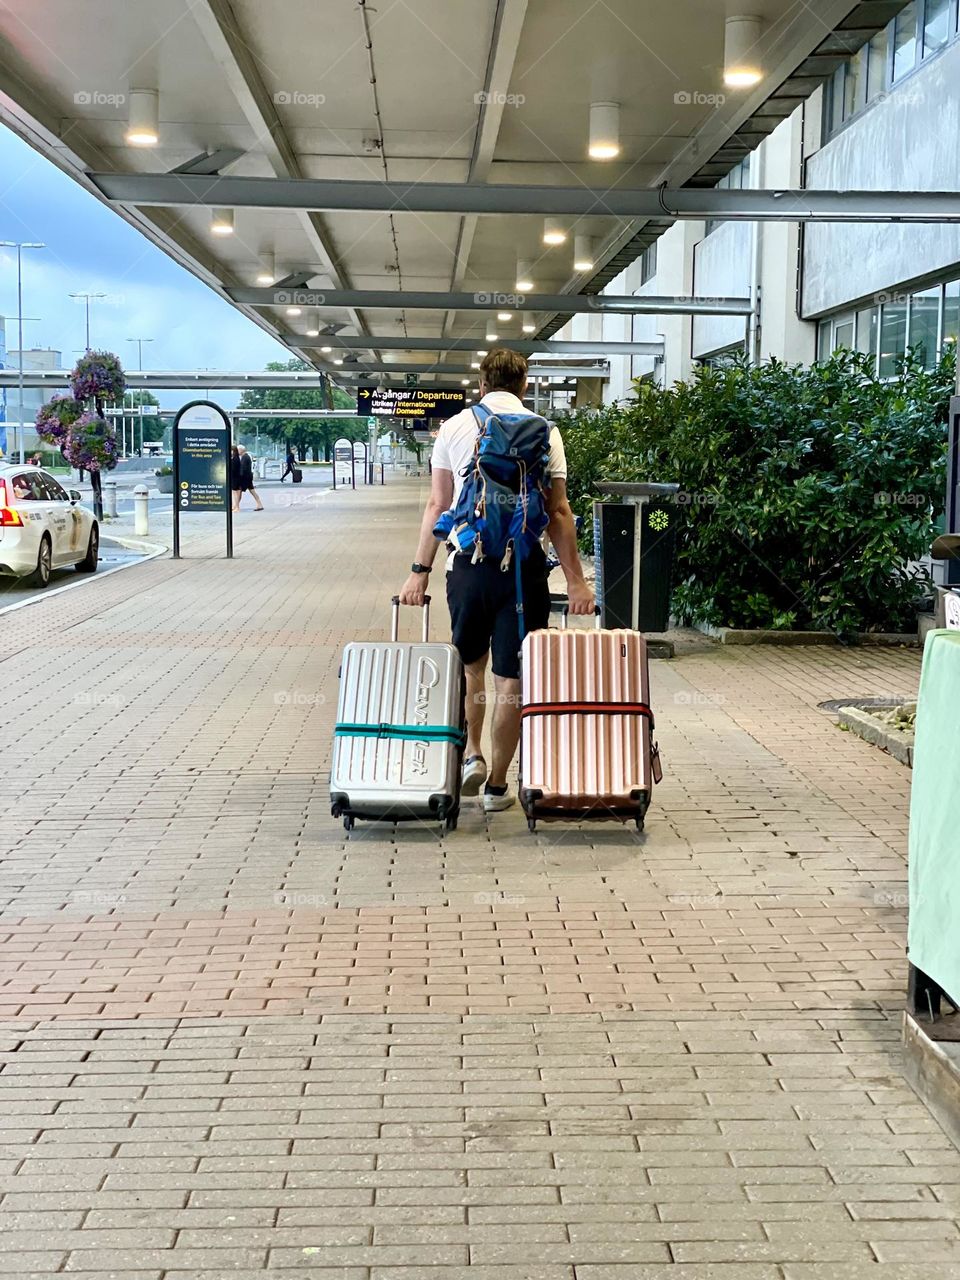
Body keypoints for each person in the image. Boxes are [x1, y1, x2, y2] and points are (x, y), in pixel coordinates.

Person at [399, 348, 594, 814]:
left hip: (468, 566)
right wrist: (578, 582)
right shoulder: (546, 431)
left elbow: (438, 505)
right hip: (524, 574)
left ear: (481, 385)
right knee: (512, 681)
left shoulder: (454, 426)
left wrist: (418, 573)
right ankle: (497, 789)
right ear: (525, 385)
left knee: (471, 670)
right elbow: (558, 512)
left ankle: (472, 756)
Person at [236, 444, 264, 511]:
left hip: (245, 478)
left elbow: (243, 469)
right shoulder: (246, 456)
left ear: (241, 450)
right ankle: (259, 504)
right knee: (252, 491)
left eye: (237, 450)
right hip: (248, 477)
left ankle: (236, 506)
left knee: (239, 491)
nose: (237, 452)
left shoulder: (245, 457)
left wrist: (239, 476)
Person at [230, 444, 242, 512]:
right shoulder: (237, 458)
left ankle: (237, 507)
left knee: (235, 493)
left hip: (234, 478)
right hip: (237, 478)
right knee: (236, 493)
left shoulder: (234, 459)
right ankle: (236, 506)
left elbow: (233, 469)